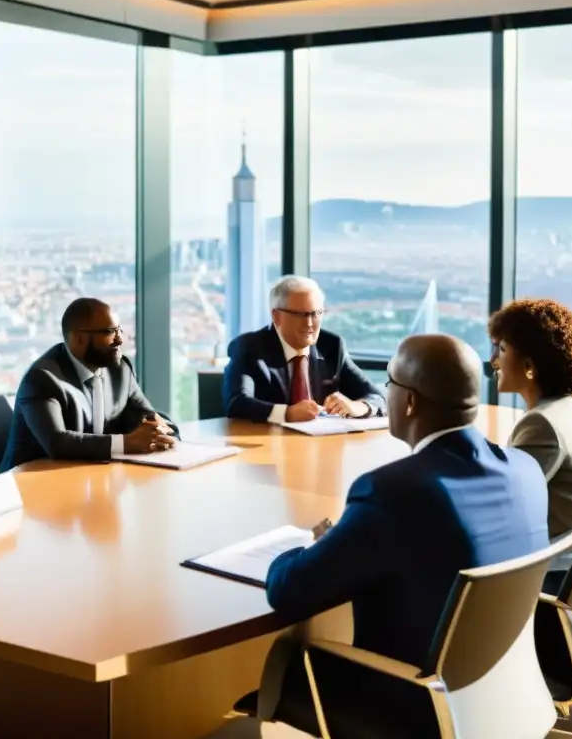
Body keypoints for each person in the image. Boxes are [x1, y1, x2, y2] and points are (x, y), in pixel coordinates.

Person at [259, 334, 549, 735]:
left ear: (409, 401)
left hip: (411, 703)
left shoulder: (393, 493)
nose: (385, 392)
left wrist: (306, 547)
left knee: (285, 659)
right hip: (499, 692)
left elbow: (288, 591)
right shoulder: (525, 470)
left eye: (389, 383)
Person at [489, 298, 572, 592]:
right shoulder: (564, 409)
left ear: (529, 366)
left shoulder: (542, 424)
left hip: (559, 571)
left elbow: (502, 504)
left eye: (502, 350)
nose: (494, 360)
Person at [0, 298, 178, 472]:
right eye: (109, 331)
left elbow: (145, 415)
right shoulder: (42, 379)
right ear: (79, 339)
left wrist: (160, 430)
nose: (119, 340)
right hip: (27, 486)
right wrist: (128, 442)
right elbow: (57, 443)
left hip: (89, 477)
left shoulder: (119, 369)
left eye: (119, 330)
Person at [223, 275, 386, 423]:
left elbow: (378, 398)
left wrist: (357, 407)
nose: (309, 323)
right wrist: (287, 413)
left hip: (320, 447)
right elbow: (237, 403)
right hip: (266, 446)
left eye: (315, 313)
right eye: (300, 314)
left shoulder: (332, 346)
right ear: (276, 316)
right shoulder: (249, 348)